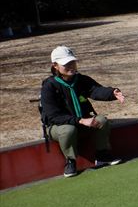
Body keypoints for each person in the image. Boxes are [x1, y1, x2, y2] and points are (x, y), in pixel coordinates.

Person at [40, 46, 124, 178]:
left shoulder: (80, 79)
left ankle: (102, 155)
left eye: (72, 62)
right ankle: (70, 161)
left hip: (81, 122)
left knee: (101, 120)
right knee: (68, 130)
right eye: (66, 64)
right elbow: (53, 116)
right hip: (58, 127)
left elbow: (95, 90)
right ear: (55, 66)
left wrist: (112, 92)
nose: (71, 66)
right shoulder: (49, 86)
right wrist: (80, 120)